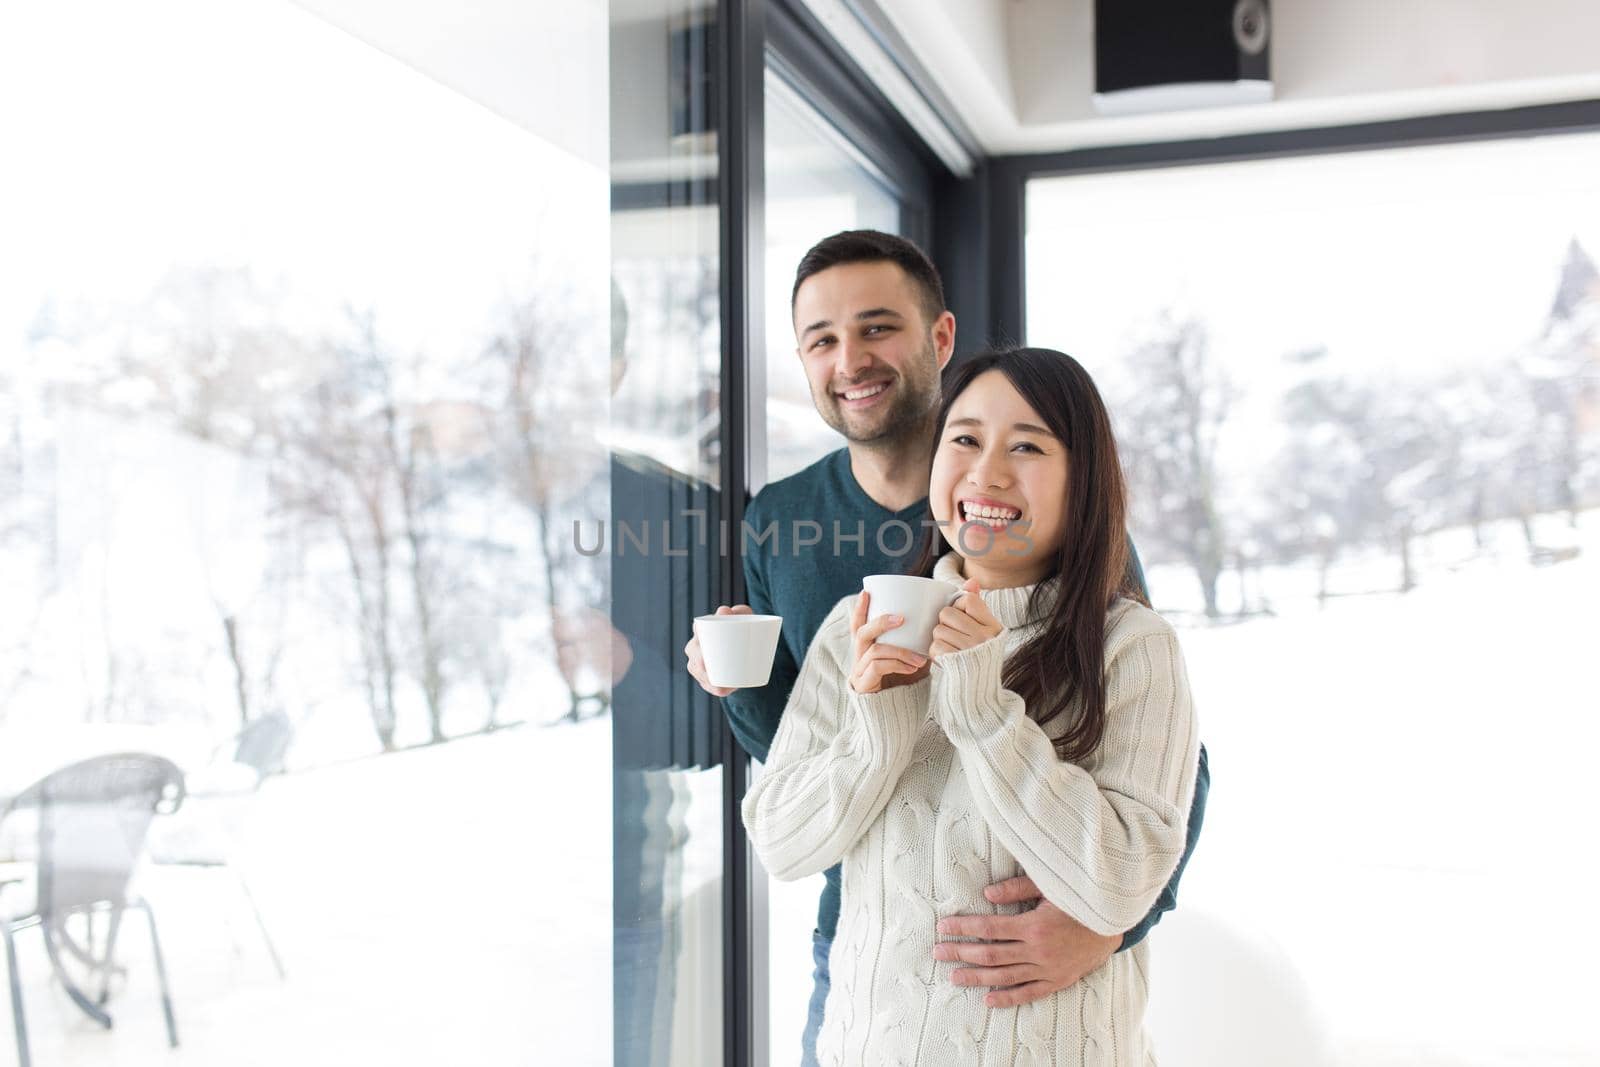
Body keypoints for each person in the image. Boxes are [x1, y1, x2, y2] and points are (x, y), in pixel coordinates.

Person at [684, 231, 1209, 1064]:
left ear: (939, 337)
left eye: (877, 327)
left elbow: (1168, 793)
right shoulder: (791, 535)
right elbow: (788, 788)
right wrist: (782, 697)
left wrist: (1109, 926)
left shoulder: (1121, 632)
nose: (850, 358)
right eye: (822, 339)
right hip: (866, 960)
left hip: (1048, 1002)